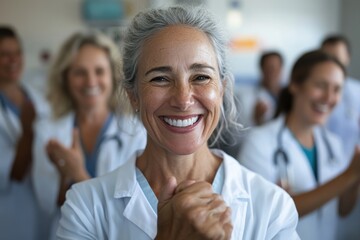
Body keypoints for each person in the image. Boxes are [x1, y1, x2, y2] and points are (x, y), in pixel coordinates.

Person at [57, 6, 300, 239]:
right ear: (133, 96)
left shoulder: (272, 208)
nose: (183, 99)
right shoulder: (85, 206)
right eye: (161, 78)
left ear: (222, 89)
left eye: (201, 77)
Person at [31, 31, 146, 239]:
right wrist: (62, 176)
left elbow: (131, 211)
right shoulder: (48, 131)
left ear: (113, 76)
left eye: (99, 71)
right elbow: (46, 203)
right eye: (79, 73)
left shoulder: (135, 132)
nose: (90, 81)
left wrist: (76, 174)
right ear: (65, 77)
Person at [238, 50, 360, 240]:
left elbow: (343, 209)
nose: (329, 97)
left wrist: (356, 175)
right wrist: (348, 176)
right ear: (295, 85)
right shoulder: (259, 144)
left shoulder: (333, 145)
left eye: (336, 89)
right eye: (320, 85)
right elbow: (267, 216)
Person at [0, 26, 48, 240]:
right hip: (10, 213)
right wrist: (28, 130)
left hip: (44, 208)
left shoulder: (36, 97)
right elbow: (14, 172)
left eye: (17, 53)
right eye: (4, 55)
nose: (14, 60)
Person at [321, 35, 360, 240]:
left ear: (348, 59)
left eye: (336, 57)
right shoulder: (314, 96)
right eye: (326, 56)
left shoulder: (358, 92)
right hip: (323, 174)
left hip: (354, 179)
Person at [252, 51, 284, 126]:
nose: (273, 72)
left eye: (276, 68)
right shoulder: (250, 97)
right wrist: (258, 119)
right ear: (262, 69)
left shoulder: (289, 95)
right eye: (269, 68)